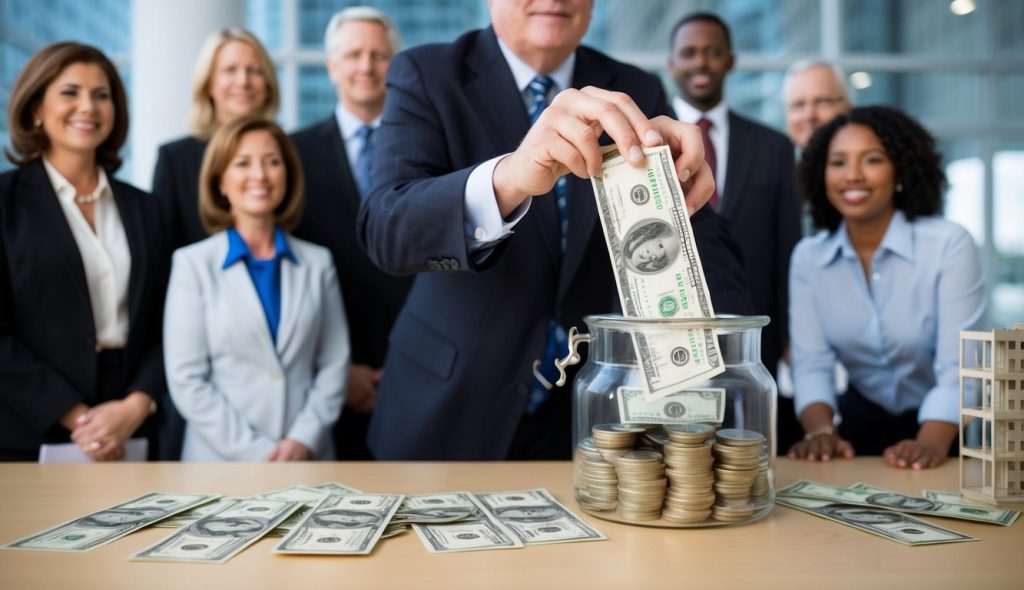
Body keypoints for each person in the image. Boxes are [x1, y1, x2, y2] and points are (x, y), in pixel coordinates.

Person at [357, 0, 752, 460]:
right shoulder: (427, 72)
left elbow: (696, 234)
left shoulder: (633, 89)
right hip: (449, 410)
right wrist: (510, 177)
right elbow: (386, 227)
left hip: (588, 417)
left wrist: (729, 361)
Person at [787, 106, 985, 469]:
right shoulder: (808, 258)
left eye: (872, 160)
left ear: (900, 170)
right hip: (857, 428)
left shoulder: (948, 245)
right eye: (839, 162)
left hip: (942, 429)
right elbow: (812, 365)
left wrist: (929, 445)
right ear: (821, 174)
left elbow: (961, 370)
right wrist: (820, 434)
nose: (853, 176)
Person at [0, 42, 168, 462]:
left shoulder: (146, 208)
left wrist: (136, 404)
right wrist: (78, 419)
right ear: (36, 107)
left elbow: (172, 320)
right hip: (30, 425)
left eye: (102, 95)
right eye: (70, 92)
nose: (88, 107)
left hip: (133, 424)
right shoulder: (4, 202)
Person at [163, 116, 349, 461]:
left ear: (287, 175)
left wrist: (303, 440)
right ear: (221, 180)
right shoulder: (192, 264)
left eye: (272, 162)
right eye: (243, 163)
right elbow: (187, 379)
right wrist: (260, 454)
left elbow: (335, 363)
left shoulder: (318, 262)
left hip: (308, 459)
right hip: (220, 465)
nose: (260, 175)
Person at [667, 12, 802, 451]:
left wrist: (789, 334)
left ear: (731, 60)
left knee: (746, 447)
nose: (700, 62)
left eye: (713, 51)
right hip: (668, 327)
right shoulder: (643, 147)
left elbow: (788, 246)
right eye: (689, 52)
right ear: (672, 64)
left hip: (752, 328)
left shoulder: (773, 147)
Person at [152, 29, 279, 459]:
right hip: (204, 365)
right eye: (229, 70)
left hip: (281, 355)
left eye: (253, 70)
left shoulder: (288, 155)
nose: (242, 80)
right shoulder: (176, 160)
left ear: (268, 82)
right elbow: (161, 266)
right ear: (208, 82)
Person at [290, 7, 411, 460]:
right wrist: (338, 370)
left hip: (414, 365)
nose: (366, 66)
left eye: (379, 56)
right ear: (331, 65)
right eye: (354, 54)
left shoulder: (427, 151)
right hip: (324, 377)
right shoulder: (293, 154)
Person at [783, 60, 853, 151]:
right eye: (798, 105)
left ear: (848, 108)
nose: (809, 116)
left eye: (823, 101)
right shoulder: (773, 163)